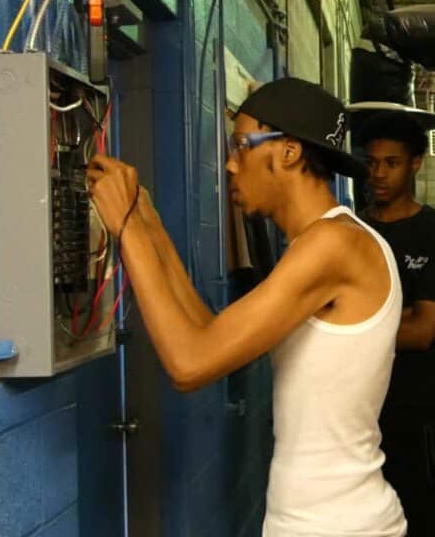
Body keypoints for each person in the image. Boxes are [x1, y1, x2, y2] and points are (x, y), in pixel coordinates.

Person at [87, 77, 407, 536]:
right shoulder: (324, 243)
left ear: (289, 152)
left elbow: (188, 364)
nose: (231, 165)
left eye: (241, 145)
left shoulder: (334, 244)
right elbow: (207, 334)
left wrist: (127, 231)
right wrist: (149, 224)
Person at [358, 111, 435, 537]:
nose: (379, 174)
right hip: (357, 408)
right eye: (372, 163)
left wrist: (355, 324)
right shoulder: (353, 232)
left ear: (415, 164)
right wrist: (400, 314)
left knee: (420, 521)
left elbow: (425, 331)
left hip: (419, 409)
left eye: (391, 163)